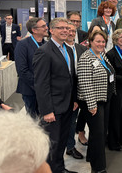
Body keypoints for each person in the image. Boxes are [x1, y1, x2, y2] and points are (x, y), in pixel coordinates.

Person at [33, 18, 77, 173]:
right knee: (52, 143)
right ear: (51, 30)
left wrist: (74, 100)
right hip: (53, 108)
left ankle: (60, 168)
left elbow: (71, 78)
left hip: (67, 105)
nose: (65, 31)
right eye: (61, 28)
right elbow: (41, 84)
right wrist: (47, 111)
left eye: (67, 28)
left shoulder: (69, 50)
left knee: (62, 140)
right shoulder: (44, 51)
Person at [77, 30, 116, 173]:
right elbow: (85, 83)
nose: (101, 44)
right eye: (97, 41)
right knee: (99, 135)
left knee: (98, 132)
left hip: (104, 98)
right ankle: (98, 167)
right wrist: (91, 105)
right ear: (90, 42)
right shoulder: (86, 58)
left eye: (103, 41)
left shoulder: (102, 55)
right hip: (93, 102)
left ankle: (91, 157)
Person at [14, 17, 48, 118]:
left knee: (45, 119)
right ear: (34, 30)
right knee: (33, 120)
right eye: (43, 26)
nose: (46, 28)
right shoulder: (22, 45)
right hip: (30, 89)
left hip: (45, 90)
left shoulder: (46, 45)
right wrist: (38, 85)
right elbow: (22, 70)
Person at [64, 22, 86, 160]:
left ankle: (70, 145)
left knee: (74, 121)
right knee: (66, 122)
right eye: (69, 30)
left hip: (80, 91)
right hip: (65, 93)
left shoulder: (81, 49)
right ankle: (67, 147)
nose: (71, 33)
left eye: (73, 31)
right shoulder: (60, 49)